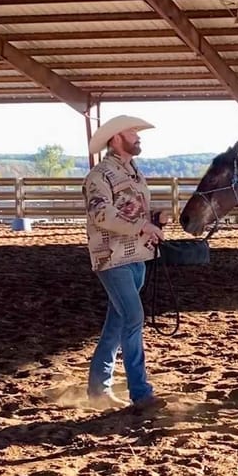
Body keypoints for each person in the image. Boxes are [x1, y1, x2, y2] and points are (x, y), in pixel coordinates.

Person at [82, 114, 164, 411]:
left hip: (137, 257)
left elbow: (131, 212)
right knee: (133, 318)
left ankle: (98, 389)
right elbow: (101, 215)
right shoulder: (99, 176)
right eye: (133, 132)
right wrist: (143, 227)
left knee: (117, 324)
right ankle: (140, 393)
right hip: (112, 258)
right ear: (116, 138)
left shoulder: (133, 172)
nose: (138, 136)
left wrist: (154, 220)